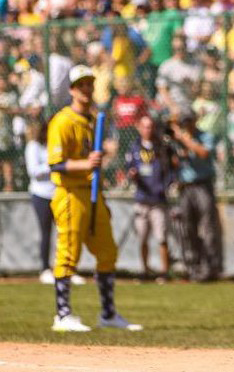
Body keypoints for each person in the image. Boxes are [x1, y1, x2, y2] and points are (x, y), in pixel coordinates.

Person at [46, 64, 142, 332]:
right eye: (81, 85)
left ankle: (108, 313)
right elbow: (55, 164)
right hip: (70, 193)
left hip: (92, 192)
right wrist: (87, 164)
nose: (86, 89)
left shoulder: (92, 120)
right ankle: (62, 314)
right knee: (68, 252)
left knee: (107, 251)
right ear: (71, 90)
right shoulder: (62, 121)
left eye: (89, 84)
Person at [169, 110, 222, 281]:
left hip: (202, 185)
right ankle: (194, 266)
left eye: (188, 122)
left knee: (207, 228)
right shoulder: (178, 140)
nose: (186, 126)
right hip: (185, 187)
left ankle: (210, 266)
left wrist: (184, 139)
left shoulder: (204, 136)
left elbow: (204, 153)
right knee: (187, 227)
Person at [125, 114, 172, 280]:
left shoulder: (161, 147)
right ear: (139, 128)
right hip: (141, 198)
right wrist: (132, 175)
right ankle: (145, 270)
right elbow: (128, 168)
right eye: (144, 126)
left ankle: (164, 272)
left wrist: (166, 186)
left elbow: (170, 171)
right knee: (142, 238)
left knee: (161, 237)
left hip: (158, 199)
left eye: (150, 126)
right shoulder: (134, 147)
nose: (148, 130)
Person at [25, 119, 55, 284]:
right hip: (41, 195)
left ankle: (65, 268)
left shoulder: (58, 145)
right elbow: (34, 171)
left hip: (58, 193)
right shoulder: (34, 147)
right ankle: (45, 268)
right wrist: (54, 166)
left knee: (66, 233)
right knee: (46, 232)